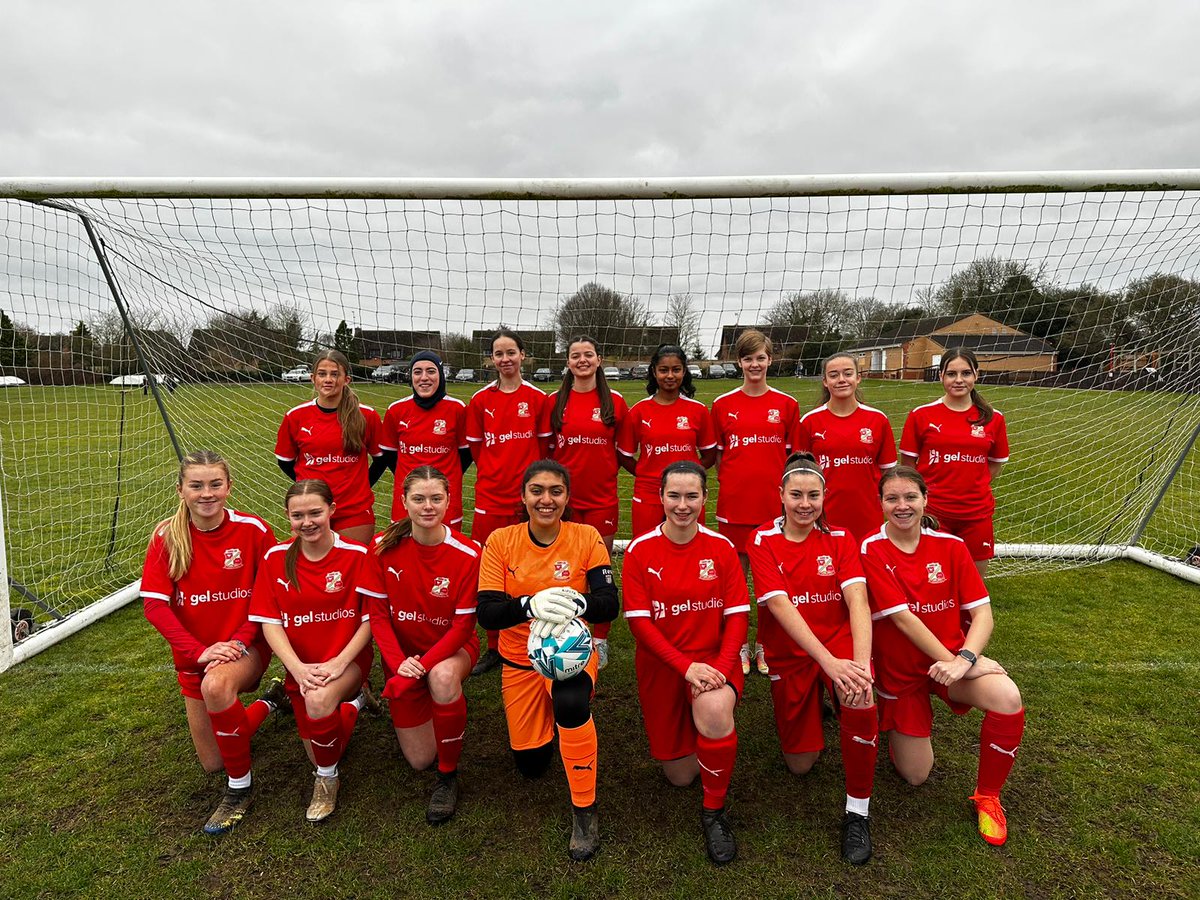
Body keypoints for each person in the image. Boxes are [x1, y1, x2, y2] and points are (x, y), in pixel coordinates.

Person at [861, 466, 1026, 847]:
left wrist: (964, 659)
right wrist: (957, 663)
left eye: (910, 497)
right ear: (881, 504)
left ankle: (988, 797)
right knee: (916, 775)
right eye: (892, 498)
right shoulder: (871, 548)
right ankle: (900, 730)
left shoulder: (951, 546)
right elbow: (903, 619)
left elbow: (983, 613)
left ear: (925, 499)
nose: (902, 506)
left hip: (952, 663)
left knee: (1007, 697)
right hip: (902, 674)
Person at [475, 460, 618, 861]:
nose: (546, 499)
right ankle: (555, 731)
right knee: (532, 765)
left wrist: (575, 602)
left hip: (571, 654)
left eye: (556, 491)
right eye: (537, 491)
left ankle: (584, 811)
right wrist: (528, 605)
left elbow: (609, 604)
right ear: (523, 497)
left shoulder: (586, 536)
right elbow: (487, 613)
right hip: (520, 662)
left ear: (567, 497)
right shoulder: (501, 540)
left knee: (571, 704)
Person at [141, 450, 284, 836]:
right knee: (214, 761)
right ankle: (272, 702)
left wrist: (237, 642)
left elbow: (269, 596)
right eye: (197, 485)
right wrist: (199, 652)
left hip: (246, 647)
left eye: (215, 484)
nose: (207, 493)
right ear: (180, 491)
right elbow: (155, 606)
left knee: (217, 685)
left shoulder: (253, 530)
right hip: (195, 658)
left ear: (229, 487)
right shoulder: (166, 537)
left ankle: (240, 790)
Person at [745, 453, 878, 865]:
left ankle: (858, 813)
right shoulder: (762, 540)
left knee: (861, 697)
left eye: (813, 496)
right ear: (781, 495)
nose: (805, 504)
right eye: (796, 495)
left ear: (825, 496)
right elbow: (781, 607)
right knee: (800, 765)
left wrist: (859, 666)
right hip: (792, 653)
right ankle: (822, 699)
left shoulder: (840, 537)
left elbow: (857, 601)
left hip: (838, 643)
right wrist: (828, 665)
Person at [623, 461, 749, 866]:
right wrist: (685, 667)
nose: (682, 505)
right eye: (674, 495)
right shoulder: (639, 550)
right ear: (660, 497)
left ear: (705, 498)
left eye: (692, 496)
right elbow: (640, 625)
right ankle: (710, 742)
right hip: (664, 667)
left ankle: (714, 812)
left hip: (713, 661)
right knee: (680, 777)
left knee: (713, 710)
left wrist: (721, 669)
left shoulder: (721, 547)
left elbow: (737, 617)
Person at [248, 479, 384, 823]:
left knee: (319, 703)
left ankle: (326, 780)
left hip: (347, 662)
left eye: (315, 513)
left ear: (332, 510)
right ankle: (355, 704)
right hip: (301, 669)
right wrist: (296, 668)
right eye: (298, 516)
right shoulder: (275, 558)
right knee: (323, 745)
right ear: (287, 516)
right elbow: (269, 623)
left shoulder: (357, 554)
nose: (307, 522)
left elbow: (371, 619)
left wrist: (340, 662)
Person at [369, 466, 481, 825]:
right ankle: (365, 703)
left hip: (451, 651)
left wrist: (424, 666)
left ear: (449, 502)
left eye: (436, 498)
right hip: (402, 659)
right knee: (419, 759)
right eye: (418, 499)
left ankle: (448, 776)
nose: (427, 506)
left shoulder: (468, 553)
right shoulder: (382, 546)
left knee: (443, 679)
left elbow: (463, 627)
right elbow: (378, 616)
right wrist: (399, 663)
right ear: (403, 502)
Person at [711, 328, 801, 678]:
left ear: (770, 360)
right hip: (734, 507)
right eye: (748, 358)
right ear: (739, 362)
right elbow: (720, 458)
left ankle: (764, 643)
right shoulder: (723, 405)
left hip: (773, 509)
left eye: (760, 358)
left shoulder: (787, 405)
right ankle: (737, 646)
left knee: (771, 585)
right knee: (734, 584)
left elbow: (792, 461)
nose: (754, 364)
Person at [466, 328, 552, 675]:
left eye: (511, 352)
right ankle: (493, 646)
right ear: (491, 359)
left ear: (522, 355)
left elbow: (543, 449)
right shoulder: (479, 401)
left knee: (529, 567)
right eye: (499, 354)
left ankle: (532, 637)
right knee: (491, 571)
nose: (505, 359)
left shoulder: (538, 398)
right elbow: (476, 449)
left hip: (526, 500)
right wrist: (495, 471)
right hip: (490, 497)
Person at [541, 336, 628, 669]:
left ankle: (600, 639)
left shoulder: (615, 401)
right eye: (575, 355)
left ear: (599, 359)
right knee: (563, 568)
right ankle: (565, 633)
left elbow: (621, 452)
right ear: (568, 362)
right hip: (564, 502)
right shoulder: (554, 401)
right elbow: (548, 452)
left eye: (588, 354)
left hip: (602, 500)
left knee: (600, 571)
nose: (582, 360)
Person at [899, 348, 1009, 577]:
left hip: (977, 513)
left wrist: (972, 485)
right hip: (934, 511)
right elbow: (908, 465)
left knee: (974, 582)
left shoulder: (993, 418)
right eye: (951, 374)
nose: (959, 380)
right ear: (941, 376)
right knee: (932, 579)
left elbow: (995, 464)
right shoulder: (921, 415)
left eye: (966, 373)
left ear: (976, 374)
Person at [274, 349, 386, 544]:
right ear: (313, 378)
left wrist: (361, 486)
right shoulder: (295, 416)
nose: (328, 380)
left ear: (346, 380)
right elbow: (285, 461)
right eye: (322, 374)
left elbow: (381, 459)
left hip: (353, 510)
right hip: (310, 508)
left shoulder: (367, 416)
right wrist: (307, 484)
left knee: (354, 561)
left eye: (335, 374)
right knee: (309, 562)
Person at [618, 344, 717, 539]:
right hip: (649, 492)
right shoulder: (639, 411)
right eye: (664, 370)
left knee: (690, 545)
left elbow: (710, 455)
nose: (670, 376)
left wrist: (689, 476)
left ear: (684, 371)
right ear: (654, 372)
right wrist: (647, 474)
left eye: (676, 370)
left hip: (687, 492)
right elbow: (624, 455)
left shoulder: (698, 410)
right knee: (647, 546)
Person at [797, 352, 897, 545]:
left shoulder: (878, 420)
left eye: (848, 373)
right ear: (825, 381)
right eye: (834, 375)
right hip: (822, 516)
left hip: (867, 516)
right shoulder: (809, 422)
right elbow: (800, 475)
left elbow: (889, 474)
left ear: (858, 378)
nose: (841, 379)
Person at [379, 350, 471, 528]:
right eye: (417, 372)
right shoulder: (396, 410)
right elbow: (389, 455)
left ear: (440, 374)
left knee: (445, 543)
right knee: (404, 543)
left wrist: (446, 476)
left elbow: (466, 454)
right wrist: (411, 478)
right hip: (408, 497)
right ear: (411, 376)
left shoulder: (457, 409)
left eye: (431, 371)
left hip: (444, 498)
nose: (424, 378)